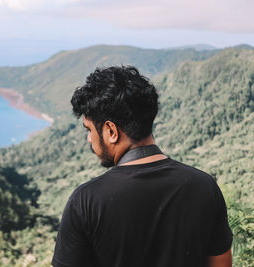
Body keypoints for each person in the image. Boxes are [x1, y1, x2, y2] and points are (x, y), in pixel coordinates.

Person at [51, 66, 233, 267]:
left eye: (90, 129)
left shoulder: (86, 202)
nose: (89, 138)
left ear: (111, 130)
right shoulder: (204, 186)